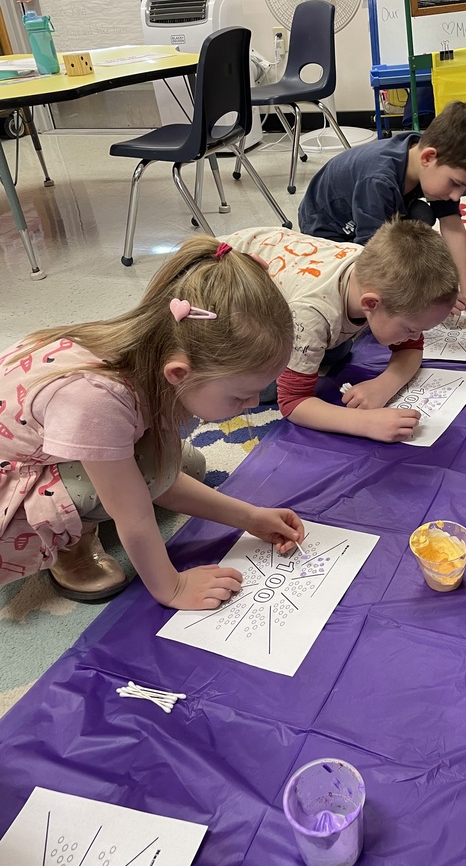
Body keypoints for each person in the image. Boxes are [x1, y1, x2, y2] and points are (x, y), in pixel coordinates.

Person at [0, 237, 305, 608]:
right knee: (148, 473)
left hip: (46, 444)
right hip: (12, 486)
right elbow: (135, 515)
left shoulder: (153, 352)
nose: (254, 404)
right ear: (179, 373)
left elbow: (164, 478)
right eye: (241, 395)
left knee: (179, 464)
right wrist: (171, 587)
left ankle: (84, 507)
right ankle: (69, 544)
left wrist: (249, 517)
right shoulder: (97, 401)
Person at [222, 219, 459, 442]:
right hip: (222, 290)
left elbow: (411, 347)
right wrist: (366, 423)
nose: (417, 336)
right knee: (261, 388)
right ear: (371, 304)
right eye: (411, 329)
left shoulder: (374, 273)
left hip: (272, 255)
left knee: (336, 351)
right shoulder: (313, 315)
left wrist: (384, 384)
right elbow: (292, 402)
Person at [297, 100, 466, 317]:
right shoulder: (379, 181)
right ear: (428, 157)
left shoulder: (425, 159)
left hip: (370, 209)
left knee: (421, 219)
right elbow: (372, 256)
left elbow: (452, 225)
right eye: (455, 184)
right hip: (328, 229)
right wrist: (428, 297)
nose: (456, 195)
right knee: (365, 286)